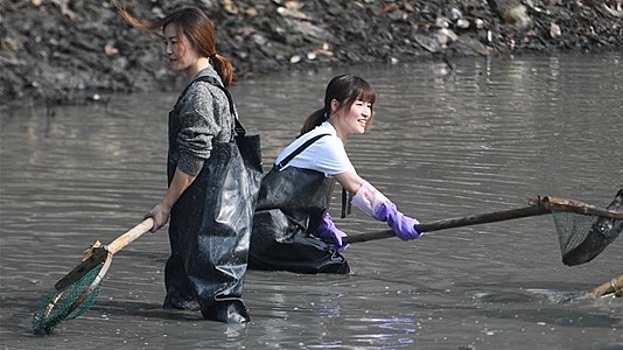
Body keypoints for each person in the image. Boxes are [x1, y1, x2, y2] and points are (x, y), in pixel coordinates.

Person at [117, 4, 252, 323]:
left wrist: (164, 206)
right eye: (165, 42)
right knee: (183, 308)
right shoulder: (213, 86)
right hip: (209, 226)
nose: (167, 50)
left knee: (221, 311)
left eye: (174, 41)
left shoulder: (201, 95)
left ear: (196, 41)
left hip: (210, 230)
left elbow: (194, 157)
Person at [249, 74, 421, 274]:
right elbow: (356, 186)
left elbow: (301, 195)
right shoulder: (326, 142)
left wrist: (323, 225)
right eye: (359, 104)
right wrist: (393, 216)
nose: (366, 113)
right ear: (335, 105)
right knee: (334, 267)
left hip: (271, 230)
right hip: (271, 233)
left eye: (369, 106)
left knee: (327, 259)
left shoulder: (322, 137)